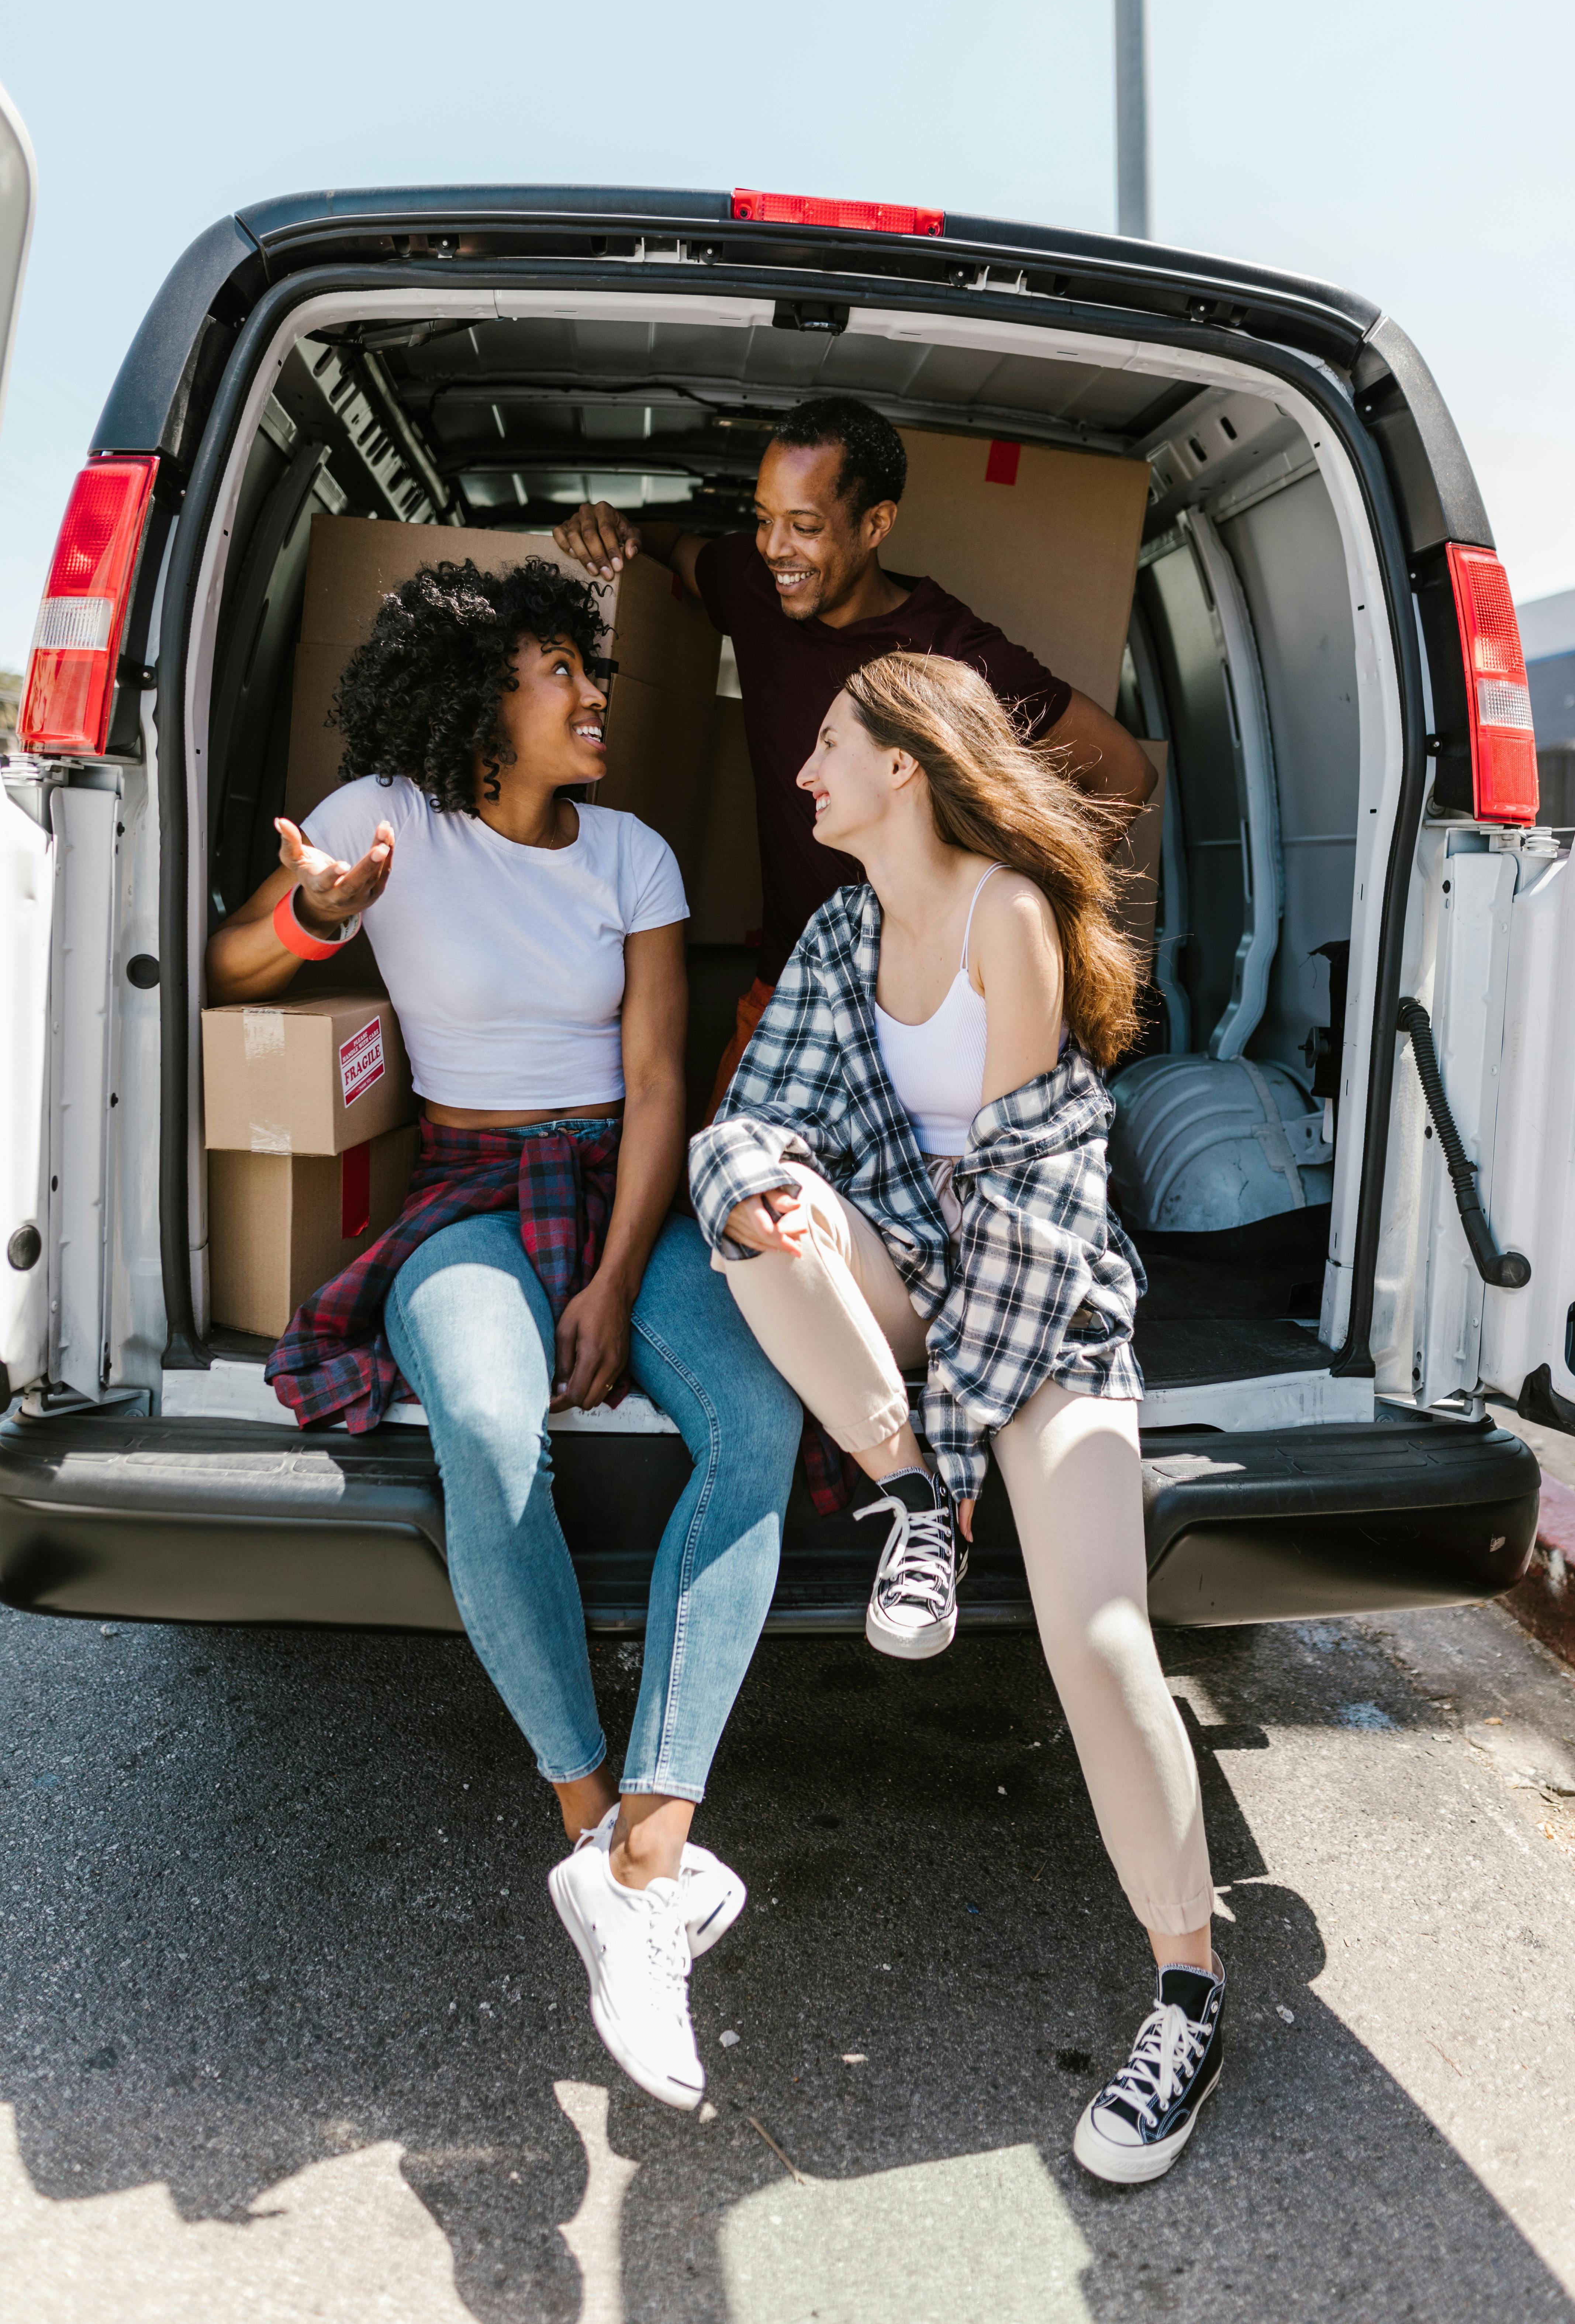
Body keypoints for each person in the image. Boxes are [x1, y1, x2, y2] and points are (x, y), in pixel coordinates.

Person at [205, 555, 802, 2118]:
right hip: (469, 1187)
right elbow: (229, 964)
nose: (597, 696)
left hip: (625, 1187)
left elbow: (665, 1080)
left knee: (759, 1418)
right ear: (485, 701)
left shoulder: (634, 851)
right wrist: (317, 913)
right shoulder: (379, 816)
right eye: (563, 674)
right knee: (482, 1421)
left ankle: (658, 1844)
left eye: (589, 673)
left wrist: (615, 1280)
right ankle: (593, 1831)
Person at [687, 650, 1223, 2185]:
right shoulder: (839, 931)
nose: (803, 775)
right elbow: (748, 1116)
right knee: (753, 1198)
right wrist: (783, 1193)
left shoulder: (1012, 916)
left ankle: (1188, 1985)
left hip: (1042, 1306)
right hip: (906, 1289)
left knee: (1100, 1635)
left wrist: (979, 1408)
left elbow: (1045, 1205)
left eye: (827, 746)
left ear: (907, 763)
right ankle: (906, 1499)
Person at [552, 396, 1157, 1107]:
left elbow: (1123, 770)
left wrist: (995, 911)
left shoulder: (952, 653)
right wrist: (610, 527)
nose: (776, 546)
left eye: (804, 526)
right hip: (782, 985)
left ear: (877, 525)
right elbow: (673, 545)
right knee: (718, 1192)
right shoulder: (752, 584)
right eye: (762, 518)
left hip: (910, 1005)